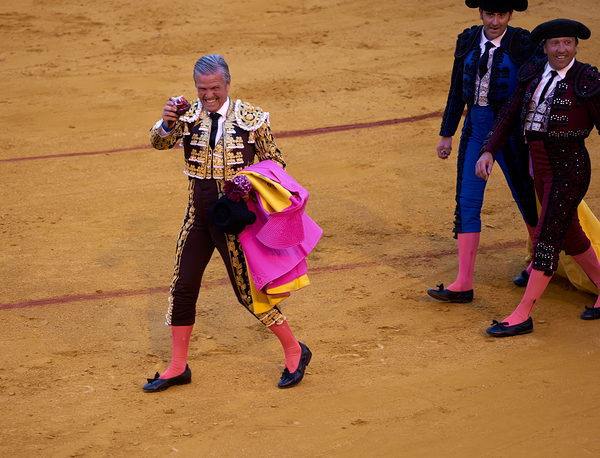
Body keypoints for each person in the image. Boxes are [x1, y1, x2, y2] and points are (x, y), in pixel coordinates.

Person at [143, 54, 312, 391]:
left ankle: (295, 350)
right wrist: (165, 123)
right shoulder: (187, 115)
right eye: (202, 89)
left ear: (228, 84)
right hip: (198, 217)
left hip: (234, 219)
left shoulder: (251, 119)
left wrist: (249, 180)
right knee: (184, 286)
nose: (208, 96)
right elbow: (158, 142)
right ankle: (178, 366)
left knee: (248, 292)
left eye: (214, 88)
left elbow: (276, 163)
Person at [476, 19, 600, 337]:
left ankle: (523, 314)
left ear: (575, 46)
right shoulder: (532, 74)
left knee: (546, 238)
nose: (562, 49)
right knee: (570, 235)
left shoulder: (587, 79)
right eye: (555, 44)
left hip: (570, 168)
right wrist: (489, 149)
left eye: (568, 43)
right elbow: (508, 114)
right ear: (544, 48)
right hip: (540, 169)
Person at [428, 0, 541, 304]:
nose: (495, 21)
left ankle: (539, 264)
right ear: (480, 13)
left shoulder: (525, 43)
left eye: (501, 14)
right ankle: (463, 282)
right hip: (474, 132)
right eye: (490, 14)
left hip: (512, 135)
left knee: (527, 200)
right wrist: (447, 134)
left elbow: (538, 89)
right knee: (466, 201)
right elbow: (456, 90)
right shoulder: (467, 40)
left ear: (510, 14)